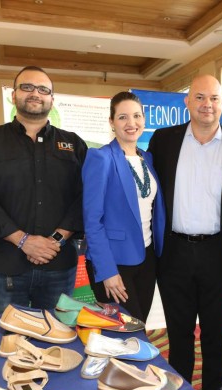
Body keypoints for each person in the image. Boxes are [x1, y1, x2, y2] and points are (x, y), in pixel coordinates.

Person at [147, 74, 222, 390]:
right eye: (201, 97)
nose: (208, 105)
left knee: (215, 333)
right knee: (178, 334)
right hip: (174, 252)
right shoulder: (163, 141)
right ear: (187, 102)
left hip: (217, 254)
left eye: (215, 98)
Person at [0, 66, 87, 316]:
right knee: (2, 342)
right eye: (27, 87)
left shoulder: (74, 144)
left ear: (52, 100)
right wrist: (24, 241)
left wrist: (54, 241)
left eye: (44, 89)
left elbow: (85, 198)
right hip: (4, 266)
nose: (35, 93)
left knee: (58, 339)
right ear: (14, 95)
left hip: (59, 265)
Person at [82, 91, 165, 323]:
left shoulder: (147, 158)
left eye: (137, 116)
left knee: (138, 326)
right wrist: (107, 271)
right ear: (111, 122)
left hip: (147, 258)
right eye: (123, 117)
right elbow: (92, 221)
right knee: (123, 334)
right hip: (114, 262)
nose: (131, 123)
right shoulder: (101, 158)